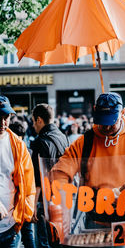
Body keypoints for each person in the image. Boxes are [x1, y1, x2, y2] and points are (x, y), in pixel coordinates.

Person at [51, 92, 125, 230]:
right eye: (102, 121)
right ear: (95, 110)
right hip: (97, 221)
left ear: (123, 113)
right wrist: (62, 196)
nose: (106, 127)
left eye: (111, 122)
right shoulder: (85, 142)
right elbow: (59, 172)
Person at [30, 103, 69, 248]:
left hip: (45, 201)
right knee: (60, 239)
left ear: (39, 120)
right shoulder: (63, 137)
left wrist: (33, 205)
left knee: (44, 242)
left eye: (34, 121)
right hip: (63, 197)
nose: (33, 126)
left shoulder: (40, 141)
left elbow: (38, 177)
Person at [0, 95, 36, 247]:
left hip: (11, 227)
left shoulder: (18, 145)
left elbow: (28, 185)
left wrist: (22, 217)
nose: (2, 122)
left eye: (5, 117)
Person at [9, 119, 36, 248]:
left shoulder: (14, 151)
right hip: (26, 202)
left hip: (19, 203)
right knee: (28, 235)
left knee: (19, 236)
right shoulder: (29, 151)